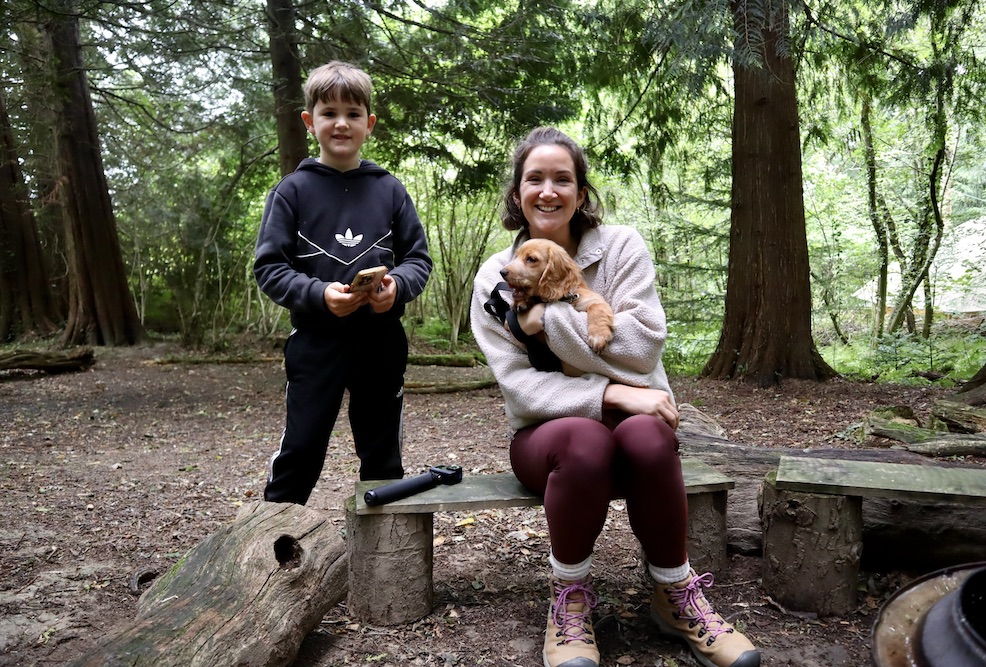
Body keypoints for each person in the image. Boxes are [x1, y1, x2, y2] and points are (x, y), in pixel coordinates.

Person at [470, 127, 760, 667]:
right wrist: (614, 396)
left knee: (651, 435)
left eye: (564, 179)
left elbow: (643, 345)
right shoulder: (496, 276)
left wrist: (549, 319)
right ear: (517, 194)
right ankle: (570, 600)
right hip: (547, 438)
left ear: (581, 194)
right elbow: (522, 387)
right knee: (585, 439)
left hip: (634, 437)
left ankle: (675, 594)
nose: (548, 190)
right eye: (534, 178)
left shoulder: (622, 248)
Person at [254, 61, 432, 504]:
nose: (341, 123)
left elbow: (418, 259)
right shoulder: (291, 191)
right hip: (315, 342)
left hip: (381, 341)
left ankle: (389, 563)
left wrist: (396, 290)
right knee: (302, 446)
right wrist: (319, 295)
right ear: (309, 121)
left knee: (383, 453)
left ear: (369, 124)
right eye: (329, 112)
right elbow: (270, 268)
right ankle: (270, 545)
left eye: (353, 113)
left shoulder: (390, 189)